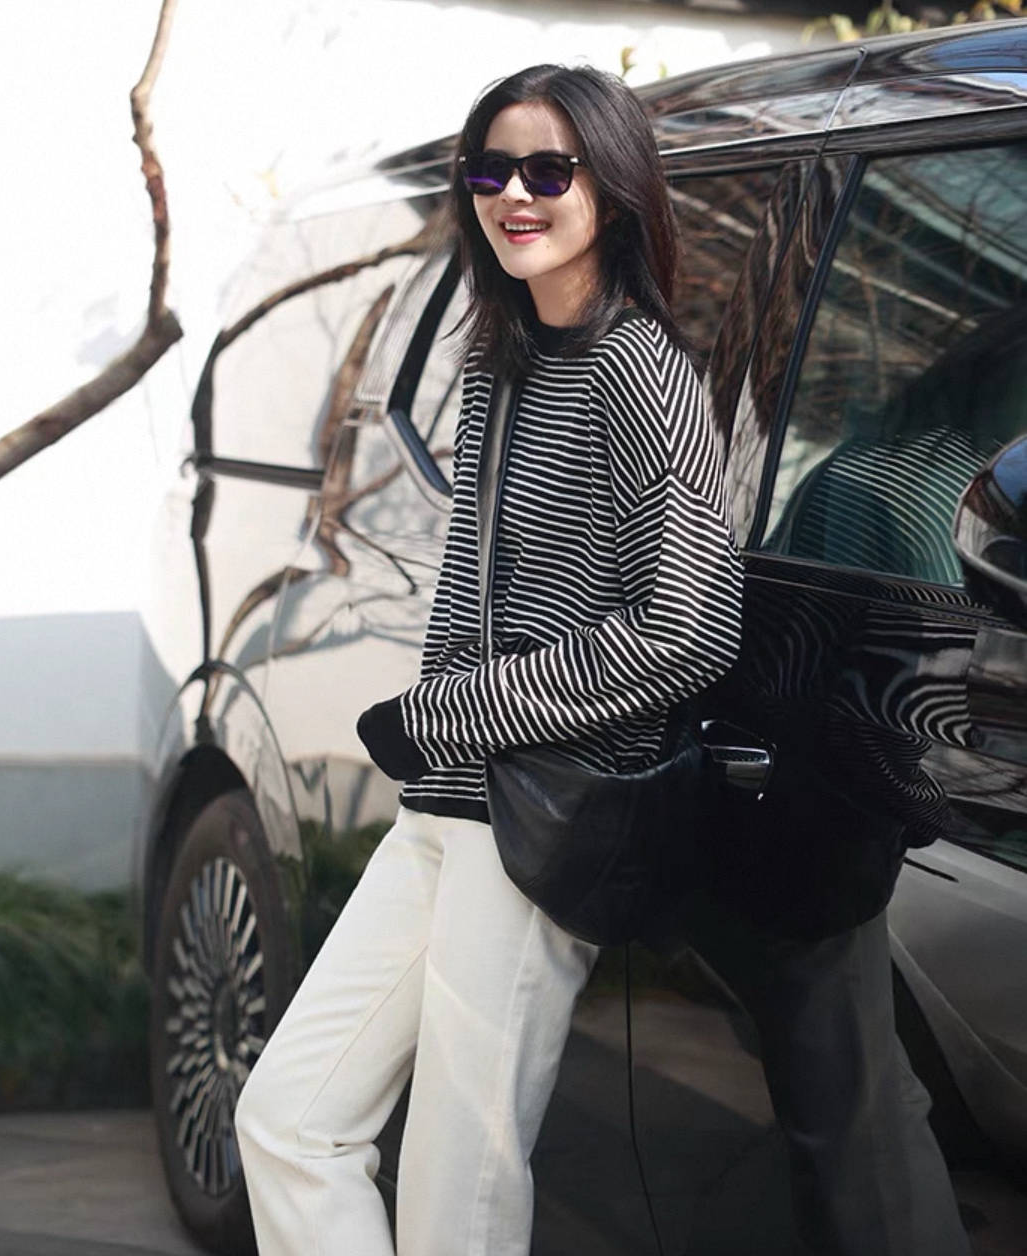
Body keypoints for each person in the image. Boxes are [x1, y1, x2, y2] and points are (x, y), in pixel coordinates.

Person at [232, 63, 744, 1255]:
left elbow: (693, 624)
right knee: (289, 1118)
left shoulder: (639, 370)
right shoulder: (501, 355)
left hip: (542, 819)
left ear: (612, 189)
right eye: (491, 169)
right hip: (449, 800)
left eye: (550, 170)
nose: (516, 193)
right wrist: (443, 726)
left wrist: (455, 708)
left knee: (456, 1191)